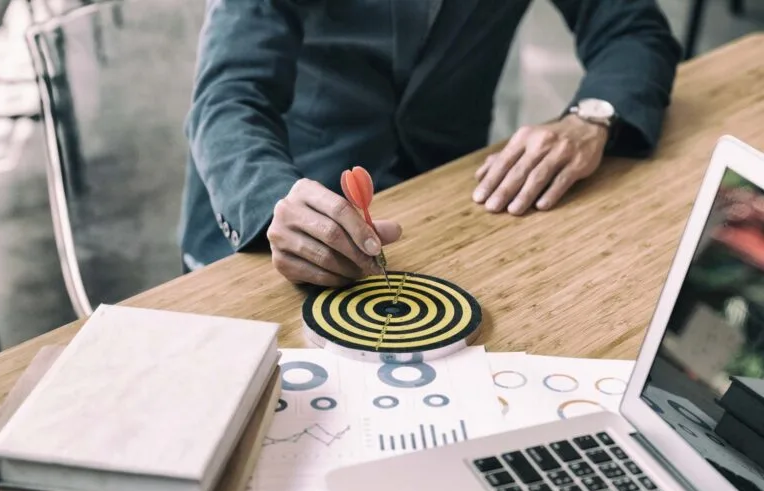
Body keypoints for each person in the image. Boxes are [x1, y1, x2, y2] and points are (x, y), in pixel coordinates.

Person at [178, 0, 681, 286]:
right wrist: (272, 203)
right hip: (280, 203)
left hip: (450, 205)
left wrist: (592, 117)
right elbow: (228, 95)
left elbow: (633, 29)